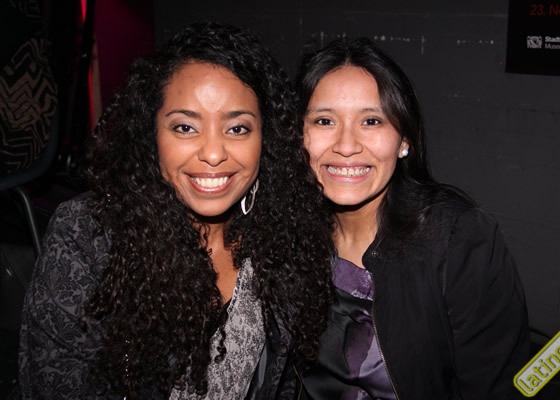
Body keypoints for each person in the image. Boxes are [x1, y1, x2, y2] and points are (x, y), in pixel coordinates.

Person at [19, 21, 334, 400]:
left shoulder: (282, 237)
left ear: (265, 139)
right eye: (185, 127)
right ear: (151, 133)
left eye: (237, 129)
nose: (213, 153)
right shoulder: (88, 234)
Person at [295, 37, 530, 399]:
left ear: (404, 139)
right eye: (324, 121)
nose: (346, 145)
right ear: (297, 136)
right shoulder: (286, 232)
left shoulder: (458, 240)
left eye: (371, 121)